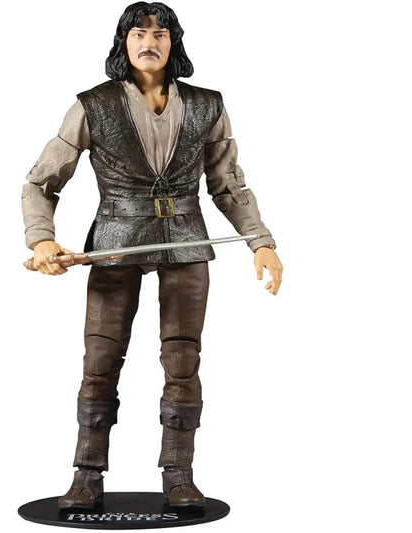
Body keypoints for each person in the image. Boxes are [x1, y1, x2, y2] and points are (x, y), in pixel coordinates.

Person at [21, 1, 283, 508]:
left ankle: (179, 474)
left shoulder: (207, 105)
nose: (149, 41)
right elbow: (40, 182)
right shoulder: (93, 105)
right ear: (124, 42)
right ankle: (86, 475)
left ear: (172, 42)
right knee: (100, 358)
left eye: (159, 33)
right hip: (116, 241)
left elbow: (228, 184)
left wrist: (261, 241)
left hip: (186, 240)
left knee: (183, 358)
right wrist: (41, 239)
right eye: (138, 32)